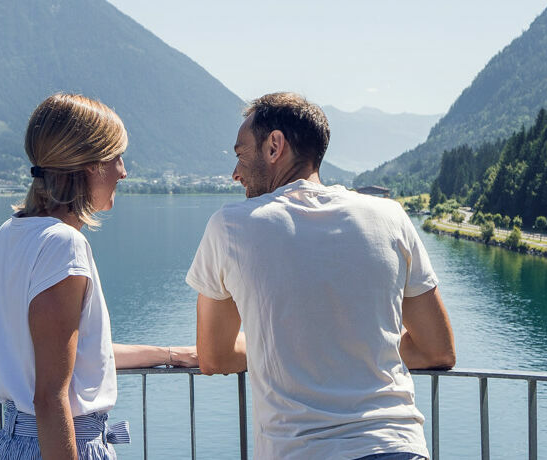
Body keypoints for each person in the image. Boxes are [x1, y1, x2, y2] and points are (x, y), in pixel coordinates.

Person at [186, 92, 457, 460]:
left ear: (274, 146)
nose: (236, 173)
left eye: (240, 154)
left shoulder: (231, 226)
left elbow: (214, 357)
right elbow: (437, 349)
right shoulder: (390, 217)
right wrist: (354, 351)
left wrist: (284, 347)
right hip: (398, 447)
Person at [0, 93, 196, 460]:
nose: (123, 171)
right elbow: (52, 397)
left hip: (16, 441)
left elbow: (70, 355)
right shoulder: (63, 244)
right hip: (60, 445)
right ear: (90, 166)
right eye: (116, 157)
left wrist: (170, 354)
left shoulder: (13, 232)